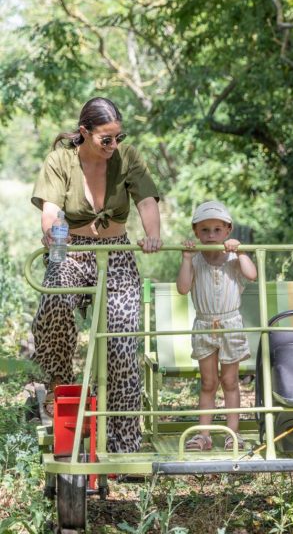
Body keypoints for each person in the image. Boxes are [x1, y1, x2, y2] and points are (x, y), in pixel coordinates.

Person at [31, 97, 162, 453]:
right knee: (54, 301)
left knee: (121, 343)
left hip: (116, 252)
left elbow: (147, 201)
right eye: (106, 139)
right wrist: (51, 230)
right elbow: (52, 210)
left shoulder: (127, 157)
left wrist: (152, 236)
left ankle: (124, 443)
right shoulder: (61, 160)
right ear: (85, 132)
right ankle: (59, 382)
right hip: (71, 249)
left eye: (118, 137)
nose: (113, 145)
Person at [177, 201, 258, 451]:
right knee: (208, 383)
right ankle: (204, 435)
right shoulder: (196, 261)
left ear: (228, 231)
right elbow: (182, 288)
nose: (211, 236)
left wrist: (242, 252)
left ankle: (233, 433)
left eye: (216, 230)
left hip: (230, 325)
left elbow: (252, 274)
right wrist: (187, 259)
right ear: (195, 232)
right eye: (204, 230)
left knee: (231, 381)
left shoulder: (234, 258)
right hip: (204, 325)